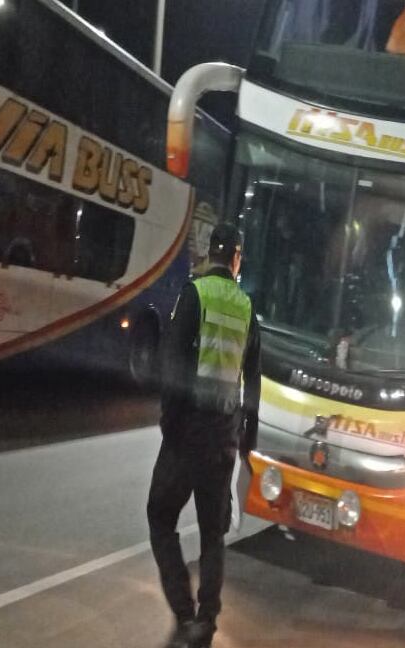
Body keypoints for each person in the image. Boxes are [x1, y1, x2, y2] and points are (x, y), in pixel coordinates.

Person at [147, 223, 262, 648]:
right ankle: (207, 621)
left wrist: (169, 420)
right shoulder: (248, 308)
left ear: (211, 254)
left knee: (161, 516)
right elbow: (253, 378)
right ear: (235, 258)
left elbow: (172, 361)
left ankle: (183, 612)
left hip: (187, 433)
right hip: (223, 437)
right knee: (213, 532)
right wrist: (247, 438)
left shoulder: (194, 294)